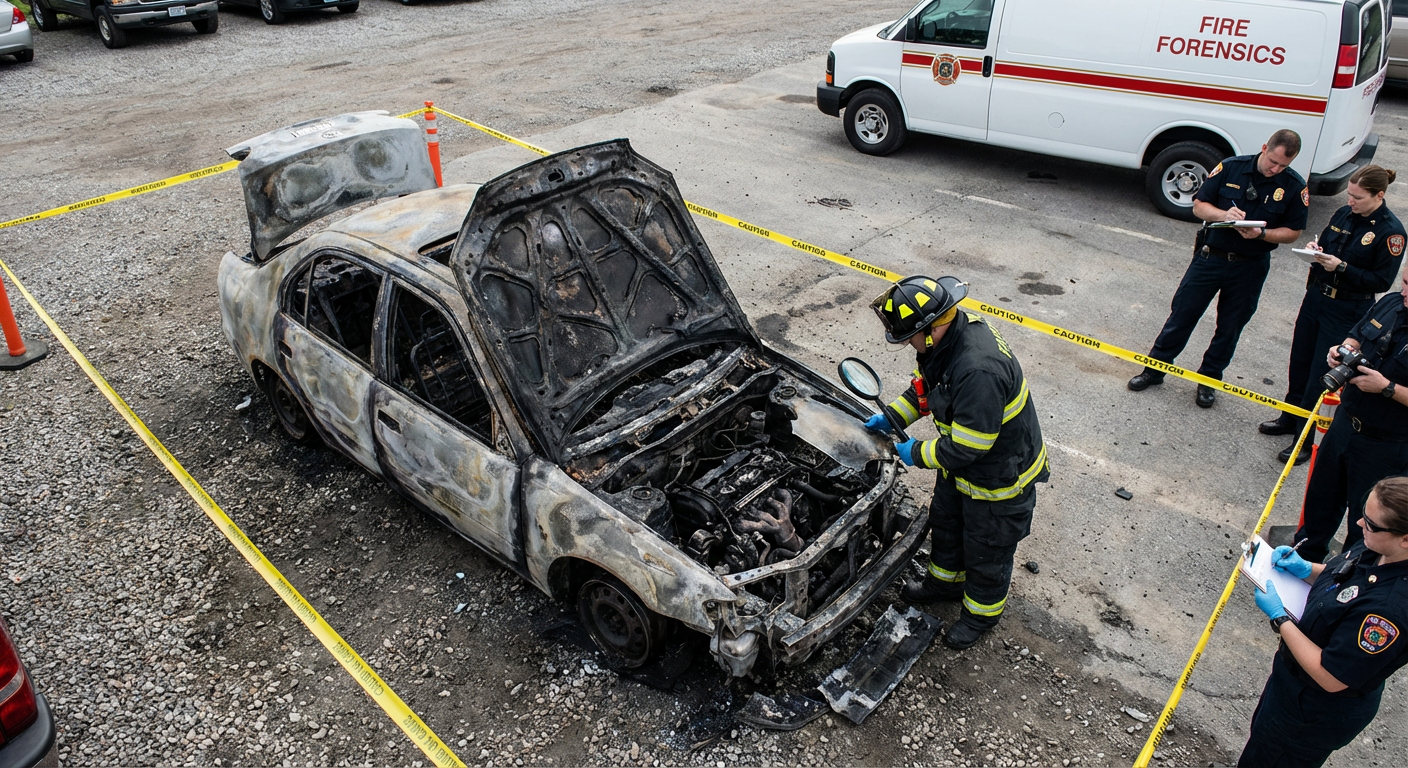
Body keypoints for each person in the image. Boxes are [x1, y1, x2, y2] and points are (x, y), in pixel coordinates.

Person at [863, 275, 1049, 649]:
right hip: (961, 471)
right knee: (946, 527)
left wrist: (914, 452)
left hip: (999, 481)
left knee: (986, 553)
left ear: (932, 328)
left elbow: (970, 445)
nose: (907, 346)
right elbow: (925, 392)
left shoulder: (978, 367)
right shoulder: (943, 347)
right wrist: (893, 418)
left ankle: (980, 616)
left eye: (908, 337)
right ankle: (943, 585)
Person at [1129, 130, 1309, 408]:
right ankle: (1154, 369)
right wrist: (1224, 215)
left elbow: (1293, 232)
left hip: (1250, 266)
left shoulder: (1294, 186)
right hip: (1211, 257)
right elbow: (1199, 207)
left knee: (1230, 327)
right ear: (1264, 147)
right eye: (1273, 161)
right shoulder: (1231, 168)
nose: (1275, 169)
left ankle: (1209, 380)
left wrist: (1263, 235)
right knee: (1183, 314)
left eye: (1283, 165)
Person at [1241, 476, 1408, 768]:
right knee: (1262, 746)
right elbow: (1344, 580)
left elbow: (1330, 676)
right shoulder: (1382, 547)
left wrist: (1280, 618)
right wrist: (1306, 570)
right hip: (1292, 684)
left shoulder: (1387, 612)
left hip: (1312, 710)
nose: (1359, 525)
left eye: (1370, 523)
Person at [1260, 165, 1406, 465]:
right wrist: (1316, 251)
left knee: (1319, 374)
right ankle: (1290, 418)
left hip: (1347, 308)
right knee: (1299, 362)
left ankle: (1304, 439)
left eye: (1358, 197)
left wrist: (1341, 267)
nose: (1350, 201)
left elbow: (1380, 281)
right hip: (1317, 298)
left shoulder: (1391, 233)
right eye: (1350, 195)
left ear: (1379, 195)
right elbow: (1327, 242)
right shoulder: (1343, 214)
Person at [1292, 269, 1408, 564]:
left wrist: (1387, 388)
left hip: (1386, 446)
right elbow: (1357, 336)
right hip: (1346, 424)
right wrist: (1341, 351)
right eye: (1406, 283)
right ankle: (1303, 561)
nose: (1405, 293)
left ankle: (1346, 583)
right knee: (1320, 500)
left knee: (1367, 523)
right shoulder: (1392, 303)